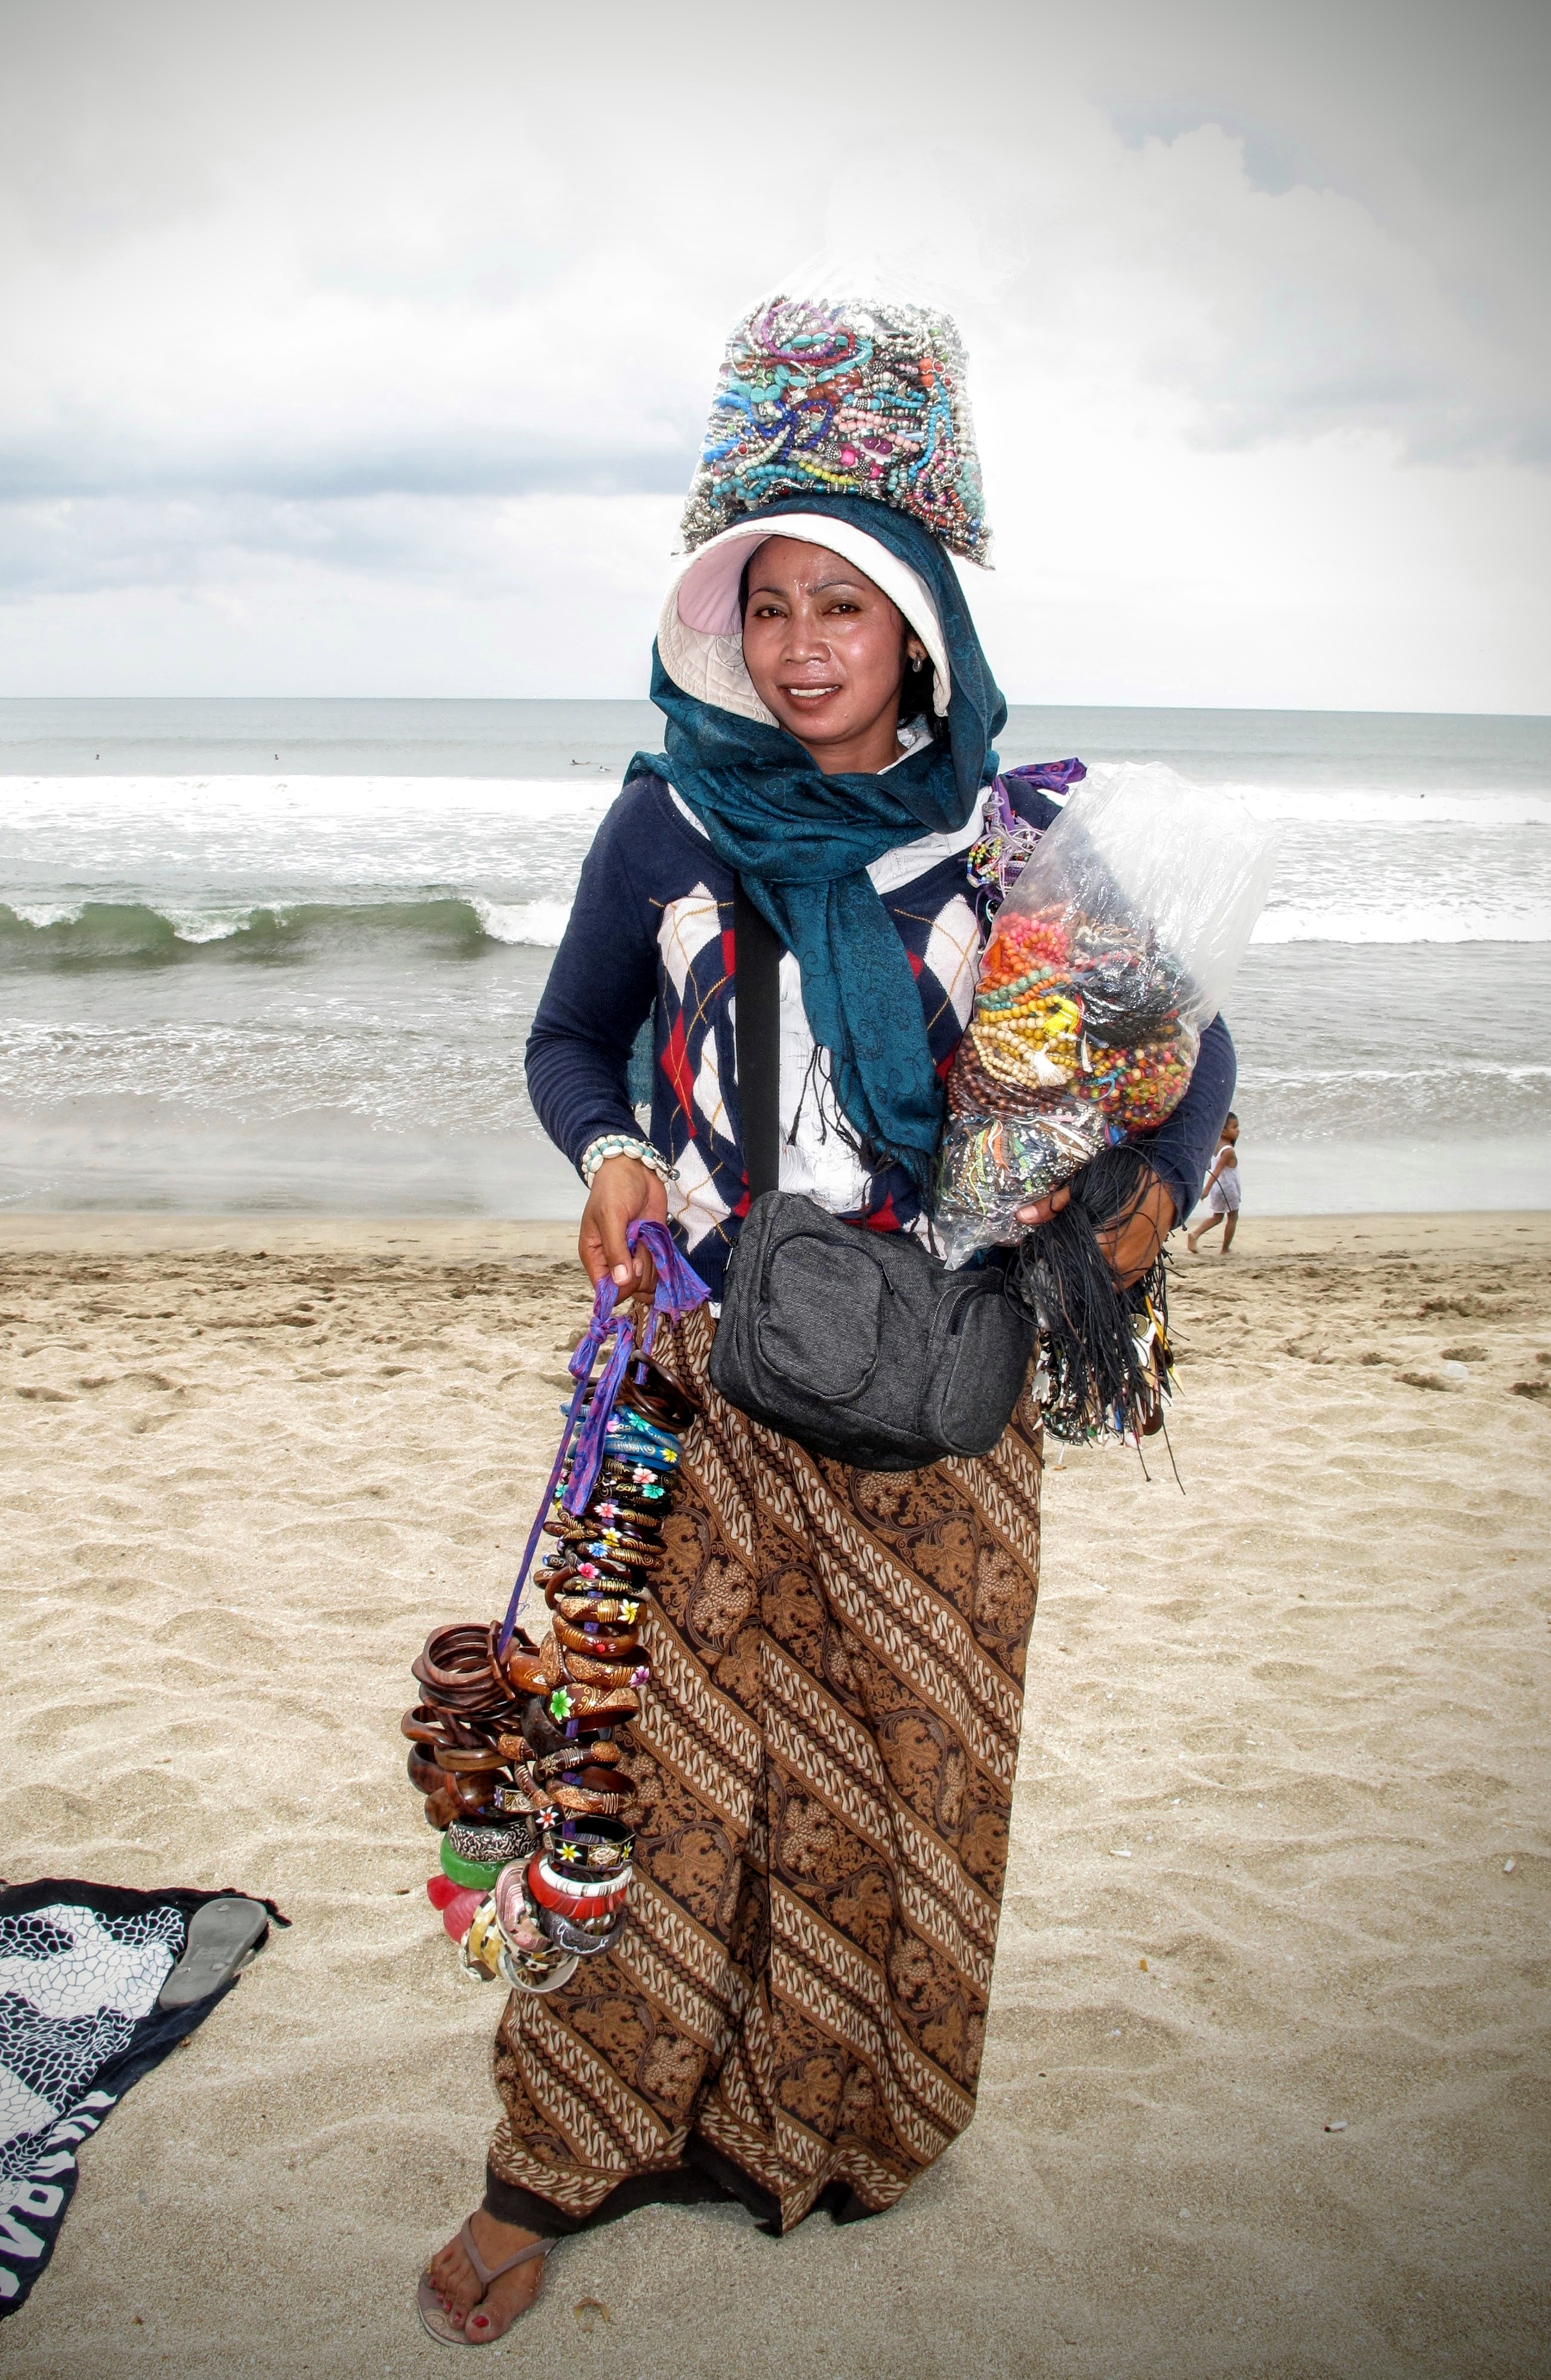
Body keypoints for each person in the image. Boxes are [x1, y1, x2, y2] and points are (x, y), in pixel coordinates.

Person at [421, 296, 1236, 2342]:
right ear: (721, 625)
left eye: (840, 607)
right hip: (701, 1368)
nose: (798, 648)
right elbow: (567, 1036)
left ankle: (839, 2119)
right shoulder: (669, 819)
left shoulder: (1014, 841)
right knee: (648, 1769)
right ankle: (562, 2150)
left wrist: (1131, 1212)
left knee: (904, 1778)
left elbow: (1182, 1052)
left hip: (941, 1398)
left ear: (916, 631)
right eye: (765, 604)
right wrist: (612, 1153)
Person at [1186, 1112, 1241, 1254]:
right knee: (1233, 1217)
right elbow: (1217, 1171)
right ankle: (1225, 1249)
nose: (1238, 1130)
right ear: (1223, 1131)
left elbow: (1209, 1166)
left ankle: (1195, 1235)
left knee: (1217, 1217)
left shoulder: (1216, 1146)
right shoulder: (1228, 1151)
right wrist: (1206, 1190)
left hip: (1218, 1189)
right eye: (1234, 1127)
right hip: (1227, 1189)